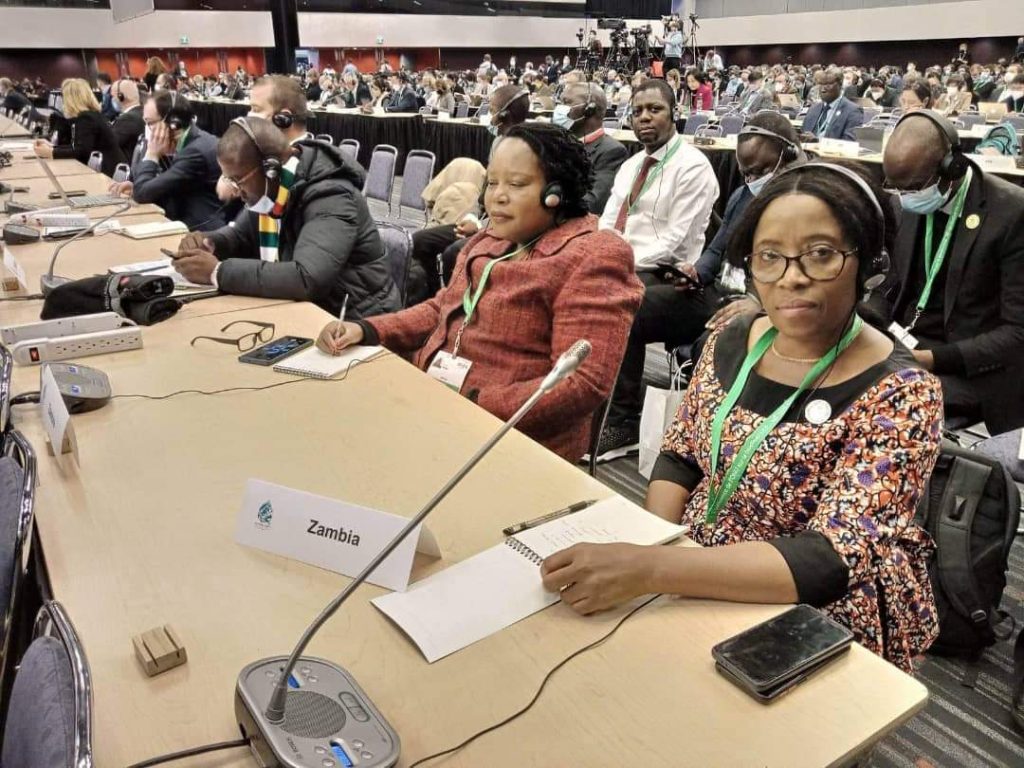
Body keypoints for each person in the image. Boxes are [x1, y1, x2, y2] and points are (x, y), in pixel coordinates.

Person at [545, 160, 945, 674]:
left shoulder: (904, 393)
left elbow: (829, 560)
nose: (791, 278)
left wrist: (652, 568)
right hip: (691, 564)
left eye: (821, 254)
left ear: (870, 263)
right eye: (769, 257)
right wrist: (656, 543)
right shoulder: (730, 339)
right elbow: (680, 456)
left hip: (815, 608)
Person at [315, 124, 643, 463]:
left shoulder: (595, 255)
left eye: (516, 184)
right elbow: (442, 308)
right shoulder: (492, 238)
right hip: (434, 408)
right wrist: (367, 329)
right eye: (492, 183)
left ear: (556, 192)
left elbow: (580, 383)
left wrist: (472, 406)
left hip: (508, 443)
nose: (496, 196)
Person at [875, 110, 1024, 433]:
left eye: (914, 187)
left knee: (881, 406)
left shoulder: (1012, 214)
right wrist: (863, 328)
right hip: (904, 345)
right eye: (897, 188)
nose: (905, 197)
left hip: (968, 365)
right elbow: (888, 286)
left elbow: (1017, 333)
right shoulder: (906, 201)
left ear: (952, 168)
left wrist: (930, 359)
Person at [594, 80, 718, 460]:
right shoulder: (631, 166)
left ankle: (623, 421)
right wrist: (599, 256)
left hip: (678, 280)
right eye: (637, 112)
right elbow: (607, 221)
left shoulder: (693, 166)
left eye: (654, 109)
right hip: (629, 265)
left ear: (674, 113)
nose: (644, 118)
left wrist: (614, 262)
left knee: (620, 301)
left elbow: (674, 242)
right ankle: (589, 398)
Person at [173, 116, 400, 319]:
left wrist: (218, 272)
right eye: (229, 180)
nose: (235, 191)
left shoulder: (331, 195)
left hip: (358, 320)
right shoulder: (275, 190)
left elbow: (307, 278)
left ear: (270, 169)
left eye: (238, 180)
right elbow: (240, 237)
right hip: (312, 312)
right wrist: (209, 243)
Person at [109, 93, 226, 230]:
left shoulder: (195, 152)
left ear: (173, 123)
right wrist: (140, 186)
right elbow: (158, 187)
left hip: (198, 232)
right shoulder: (188, 141)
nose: (147, 129)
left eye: (150, 123)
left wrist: (151, 154)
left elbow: (142, 195)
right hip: (183, 222)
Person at [554, 82, 628, 214]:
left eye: (567, 102)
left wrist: (548, 206)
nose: (559, 108)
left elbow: (593, 202)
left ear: (590, 109)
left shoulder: (612, 151)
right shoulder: (556, 142)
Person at [33, 78, 126, 177]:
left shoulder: (86, 118)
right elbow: (77, 145)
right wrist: (52, 147)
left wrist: (51, 152)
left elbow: (81, 151)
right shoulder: (90, 115)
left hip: (107, 174)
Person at [800, 69, 863, 142]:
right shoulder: (813, 109)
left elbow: (849, 142)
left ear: (840, 84)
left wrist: (819, 141)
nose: (823, 89)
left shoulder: (852, 111)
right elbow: (804, 135)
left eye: (828, 84)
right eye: (821, 84)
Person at [109, 78, 145, 164]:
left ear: (121, 96)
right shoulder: (143, 112)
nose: (112, 99)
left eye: (113, 96)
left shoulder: (127, 119)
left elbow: (108, 144)